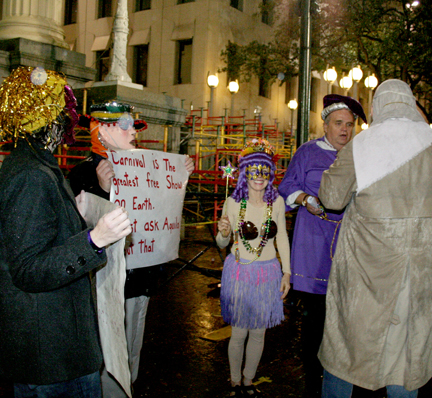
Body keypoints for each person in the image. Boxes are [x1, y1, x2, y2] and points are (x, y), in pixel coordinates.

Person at [0, 66, 131, 397]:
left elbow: (41, 237)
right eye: (62, 114)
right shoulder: (31, 174)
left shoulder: (36, 164)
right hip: (52, 356)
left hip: (54, 348)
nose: (67, 123)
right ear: (47, 119)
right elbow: (28, 269)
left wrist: (77, 215)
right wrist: (94, 240)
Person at [68, 102, 194, 397]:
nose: (133, 134)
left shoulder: (143, 165)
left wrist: (180, 175)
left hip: (138, 280)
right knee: (107, 356)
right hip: (101, 285)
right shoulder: (82, 174)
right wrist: (100, 188)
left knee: (130, 351)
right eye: (125, 127)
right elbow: (77, 231)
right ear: (102, 130)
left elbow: (159, 209)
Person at [318, 79, 432, 398]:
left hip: (365, 275)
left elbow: (331, 198)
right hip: (419, 274)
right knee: (406, 361)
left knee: (345, 353)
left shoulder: (364, 144)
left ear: (377, 106)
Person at [278, 94, 367, 396]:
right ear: (326, 126)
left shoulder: (361, 155)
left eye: (350, 125)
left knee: (346, 318)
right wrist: (304, 198)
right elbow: (287, 186)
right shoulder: (307, 152)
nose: (345, 130)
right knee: (315, 319)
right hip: (314, 245)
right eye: (339, 124)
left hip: (350, 246)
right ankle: (313, 381)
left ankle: (342, 377)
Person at [216, 138, 291, 397]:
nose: (259, 176)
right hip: (239, 272)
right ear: (244, 172)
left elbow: (281, 238)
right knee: (238, 332)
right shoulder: (233, 202)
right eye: (253, 170)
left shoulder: (277, 203)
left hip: (268, 272)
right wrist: (223, 232)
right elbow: (221, 242)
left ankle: (249, 380)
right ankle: (234, 380)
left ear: (270, 173)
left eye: (264, 170)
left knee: (259, 332)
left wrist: (287, 273)